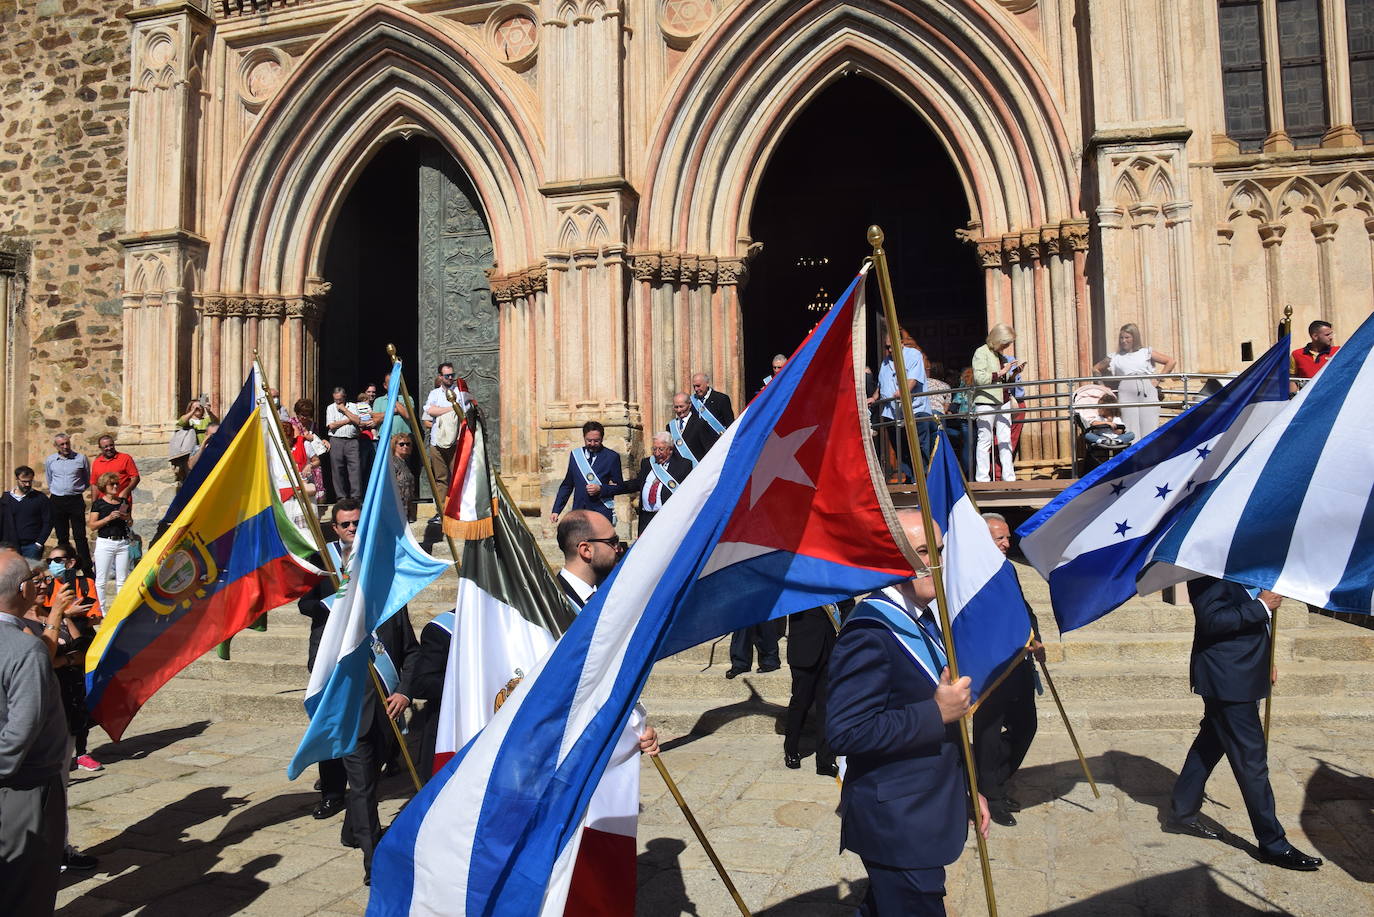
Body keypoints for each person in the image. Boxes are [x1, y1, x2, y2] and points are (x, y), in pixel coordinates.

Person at [826, 511, 989, 916]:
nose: (936, 561)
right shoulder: (870, 632)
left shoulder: (924, 617)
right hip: (898, 821)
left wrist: (969, 786)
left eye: (940, 550)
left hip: (926, 806)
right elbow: (845, 732)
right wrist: (934, 713)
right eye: (922, 552)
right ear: (894, 559)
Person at [1165, 576, 1322, 871]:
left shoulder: (1244, 569)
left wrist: (1266, 660)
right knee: (1252, 761)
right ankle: (1273, 845)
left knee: (1210, 742)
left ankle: (1183, 812)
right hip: (1227, 680)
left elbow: (1250, 625)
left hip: (1242, 672)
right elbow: (1212, 621)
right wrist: (1262, 605)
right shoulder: (1208, 572)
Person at [0, 550, 73, 914]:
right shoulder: (24, 649)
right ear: (25, 588)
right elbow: (21, 730)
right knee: (25, 888)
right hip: (24, 787)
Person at [971, 513, 1042, 828]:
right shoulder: (968, 575)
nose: (1007, 544)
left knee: (1026, 726)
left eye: (1007, 537)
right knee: (987, 736)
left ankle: (987, 784)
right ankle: (992, 797)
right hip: (988, 668)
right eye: (999, 538)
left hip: (1019, 663)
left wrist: (1035, 637)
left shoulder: (1008, 568)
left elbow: (1023, 609)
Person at [298, 498, 361, 820]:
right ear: (335, 528)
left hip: (365, 651)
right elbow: (304, 605)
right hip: (326, 652)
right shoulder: (321, 559)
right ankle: (333, 791)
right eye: (346, 524)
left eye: (356, 523)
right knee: (329, 721)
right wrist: (332, 603)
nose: (352, 529)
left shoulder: (373, 556)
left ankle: (385, 762)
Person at [783, 604, 840, 776]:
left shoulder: (833, 580)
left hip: (830, 647)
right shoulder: (796, 579)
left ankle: (825, 761)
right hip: (804, 647)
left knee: (826, 706)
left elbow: (846, 603)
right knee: (800, 702)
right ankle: (791, 749)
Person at [1093, 322, 1176, 440]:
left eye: (1127, 337)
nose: (1123, 340)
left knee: (1150, 424)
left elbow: (1170, 361)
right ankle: (1134, 454)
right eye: (1121, 338)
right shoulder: (1114, 356)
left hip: (1147, 388)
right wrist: (1104, 388)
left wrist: (1157, 380)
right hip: (1126, 390)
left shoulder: (1145, 352)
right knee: (1130, 425)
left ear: (1134, 338)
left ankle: (1149, 454)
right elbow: (1096, 368)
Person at [876, 330, 931, 482]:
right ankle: (910, 478)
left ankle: (923, 479)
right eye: (887, 347)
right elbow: (882, 383)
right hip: (892, 412)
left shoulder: (913, 355)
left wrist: (900, 392)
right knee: (901, 448)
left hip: (915, 410)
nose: (889, 350)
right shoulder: (885, 361)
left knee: (918, 446)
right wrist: (874, 397)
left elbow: (912, 380)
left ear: (901, 343)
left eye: (891, 346)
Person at [550, 421, 626, 526]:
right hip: (579, 512)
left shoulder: (612, 457)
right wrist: (556, 510)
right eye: (589, 440)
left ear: (602, 439)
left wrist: (601, 489)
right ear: (584, 438)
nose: (593, 444)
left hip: (601, 512)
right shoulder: (576, 455)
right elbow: (567, 485)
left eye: (596, 441)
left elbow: (620, 487)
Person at [972, 324, 1020, 483]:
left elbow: (1003, 381)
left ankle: (1009, 478)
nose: (1007, 346)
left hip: (1004, 401)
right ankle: (983, 479)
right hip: (986, 402)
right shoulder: (981, 352)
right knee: (985, 440)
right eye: (1006, 343)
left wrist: (1013, 374)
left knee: (1005, 440)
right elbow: (979, 378)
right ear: (998, 339)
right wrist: (1001, 372)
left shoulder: (1001, 356)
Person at [623, 432, 693, 535]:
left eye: (661, 449)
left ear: (670, 449)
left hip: (667, 519)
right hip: (646, 519)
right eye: (654, 449)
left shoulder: (683, 465)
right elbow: (636, 484)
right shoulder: (647, 463)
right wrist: (611, 487)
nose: (657, 453)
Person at [424, 362, 472, 511]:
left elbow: (466, 410)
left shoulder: (459, 393)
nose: (450, 378)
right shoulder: (434, 394)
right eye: (447, 375)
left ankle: (460, 510)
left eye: (452, 375)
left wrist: (441, 410)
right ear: (440, 376)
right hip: (437, 442)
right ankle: (442, 511)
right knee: (441, 478)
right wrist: (452, 408)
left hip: (455, 442)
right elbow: (430, 410)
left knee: (459, 478)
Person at [44, 433, 93, 577]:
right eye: (62, 444)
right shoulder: (51, 460)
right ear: (56, 446)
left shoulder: (80, 458)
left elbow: (86, 479)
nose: (65, 446)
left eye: (67, 443)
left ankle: (87, 569)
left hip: (75, 499)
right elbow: (49, 479)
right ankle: (65, 569)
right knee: (62, 536)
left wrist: (75, 489)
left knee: (80, 536)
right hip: (57, 500)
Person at [86, 472, 131, 615]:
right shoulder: (99, 504)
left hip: (122, 542)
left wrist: (126, 517)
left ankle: (120, 609)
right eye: (112, 484)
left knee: (122, 579)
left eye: (117, 483)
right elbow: (92, 525)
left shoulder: (123, 502)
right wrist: (108, 518)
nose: (116, 486)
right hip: (105, 542)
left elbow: (130, 521)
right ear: (104, 486)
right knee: (101, 579)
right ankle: (102, 611)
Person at [1, 466, 53, 559]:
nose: (27, 484)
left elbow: (48, 521)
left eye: (30, 481)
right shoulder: (6, 499)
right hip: (9, 547)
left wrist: (39, 543)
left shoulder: (40, 498)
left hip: (31, 547)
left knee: (31, 573)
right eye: (24, 481)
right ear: (17, 479)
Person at [325, 386, 364, 500]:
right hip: (336, 440)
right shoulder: (330, 408)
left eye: (340, 400)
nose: (337, 402)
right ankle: (341, 497)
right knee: (337, 470)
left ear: (345, 397)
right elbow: (331, 425)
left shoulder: (353, 406)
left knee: (355, 469)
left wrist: (345, 411)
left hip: (352, 441)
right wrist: (348, 420)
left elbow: (358, 421)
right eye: (336, 400)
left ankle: (355, 496)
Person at [288, 399, 326, 504]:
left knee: (316, 476)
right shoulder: (292, 423)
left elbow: (316, 437)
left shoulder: (312, 424)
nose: (304, 417)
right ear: (297, 412)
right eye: (302, 415)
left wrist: (323, 441)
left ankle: (316, 503)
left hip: (312, 456)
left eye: (307, 415)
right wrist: (306, 437)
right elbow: (293, 438)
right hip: (299, 456)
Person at [90, 434, 141, 506]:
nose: (109, 448)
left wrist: (126, 491)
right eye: (106, 446)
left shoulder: (125, 458)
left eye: (111, 445)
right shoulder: (97, 462)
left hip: (122, 501)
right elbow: (94, 484)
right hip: (103, 503)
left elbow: (135, 478)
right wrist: (94, 503)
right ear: (100, 448)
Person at [689, 372, 734, 453]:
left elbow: (730, 423)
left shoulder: (721, 399)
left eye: (698, 386)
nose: (696, 389)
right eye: (694, 386)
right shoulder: (691, 401)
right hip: (698, 446)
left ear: (707, 384)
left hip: (717, 444)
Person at [1290, 319, 1339, 393]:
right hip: (1307, 399)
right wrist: (1292, 397)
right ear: (1315, 336)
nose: (1331, 337)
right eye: (1327, 335)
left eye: (1331, 334)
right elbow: (1292, 379)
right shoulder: (1296, 354)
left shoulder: (1337, 352)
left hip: (1331, 397)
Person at [666, 392, 709, 466]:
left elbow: (708, 449)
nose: (679, 410)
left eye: (681, 406)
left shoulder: (700, 424)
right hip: (677, 471)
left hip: (695, 469)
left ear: (689, 405)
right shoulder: (670, 426)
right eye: (676, 407)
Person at [390, 433, 418, 523]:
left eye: (408, 444)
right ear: (395, 446)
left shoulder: (405, 463)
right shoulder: (392, 463)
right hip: (396, 508)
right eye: (401, 444)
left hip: (406, 509)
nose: (405, 446)